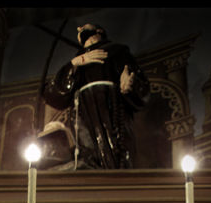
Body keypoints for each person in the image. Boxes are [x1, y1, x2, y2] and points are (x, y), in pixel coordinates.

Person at [42, 24, 150, 169]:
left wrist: (129, 83)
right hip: (84, 112)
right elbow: (54, 94)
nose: (79, 28)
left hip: (111, 106)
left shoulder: (117, 51)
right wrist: (75, 63)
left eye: (85, 26)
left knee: (117, 149)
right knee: (89, 151)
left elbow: (139, 84)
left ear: (100, 31)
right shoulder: (78, 62)